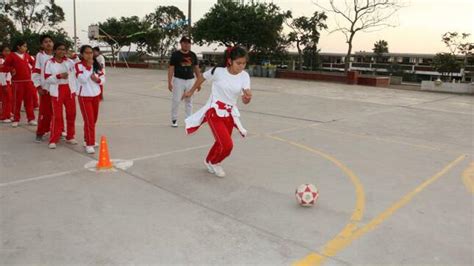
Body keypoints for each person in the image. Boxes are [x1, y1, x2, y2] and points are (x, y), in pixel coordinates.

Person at [182, 46, 252, 178]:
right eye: (239, 63)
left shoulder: (244, 76)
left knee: (220, 141)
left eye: (244, 63)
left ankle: (209, 160)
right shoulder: (218, 71)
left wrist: (247, 98)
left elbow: (245, 99)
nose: (242, 66)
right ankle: (215, 162)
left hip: (229, 114)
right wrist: (191, 91)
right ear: (230, 61)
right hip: (214, 111)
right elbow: (202, 77)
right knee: (227, 145)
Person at [43, 42, 78, 149]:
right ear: (55, 51)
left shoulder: (70, 62)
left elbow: (80, 64)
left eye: (64, 49)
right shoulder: (49, 62)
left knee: (71, 114)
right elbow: (47, 78)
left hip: (69, 90)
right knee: (57, 116)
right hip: (57, 91)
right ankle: (54, 138)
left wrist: (74, 56)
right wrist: (59, 76)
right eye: (59, 49)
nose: (62, 51)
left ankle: (70, 136)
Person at [75, 45, 105, 154]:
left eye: (91, 52)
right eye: (87, 53)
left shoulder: (97, 65)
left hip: (95, 95)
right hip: (84, 96)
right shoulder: (78, 65)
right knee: (89, 121)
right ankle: (89, 143)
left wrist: (97, 80)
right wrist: (88, 67)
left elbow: (103, 78)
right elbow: (82, 79)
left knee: (94, 120)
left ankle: (87, 139)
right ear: (82, 54)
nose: (89, 55)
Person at [0, 40, 37, 127]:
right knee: (17, 102)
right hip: (17, 82)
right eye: (24, 46)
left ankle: (31, 119)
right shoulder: (11, 56)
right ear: (18, 47)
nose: (26, 48)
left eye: (26, 46)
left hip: (28, 82)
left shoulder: (27, 56)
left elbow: (35, 65)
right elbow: (4, 67)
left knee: (29, 101)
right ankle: (16, 119)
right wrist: (11, 69)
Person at [168, 36, 201, 128]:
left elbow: (196, 69)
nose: (187, 45)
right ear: (181, 43)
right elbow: (171, 69)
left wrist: (199, 82)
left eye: (188, 43)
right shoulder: (175, 55)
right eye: (185, 43)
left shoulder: (193, 55)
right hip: (178, 80)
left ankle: (188, 120)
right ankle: (174, 120)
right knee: (176, 100)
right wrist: (169, 82)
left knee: (189, 101)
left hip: (190, 80)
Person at [33, 34, 54, 142]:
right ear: (42, 44)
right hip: (45, 89)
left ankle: (57, 131)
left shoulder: (58, 55)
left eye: (50, 41)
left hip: (57, 90)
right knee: (44, 112)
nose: (48, 43)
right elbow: (36, 72)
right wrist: (38, 87)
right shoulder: (40, 56)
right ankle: (40, 132)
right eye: (45, 42)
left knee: (56, 112)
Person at [0, 46, 13, 123]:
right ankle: (4, 116)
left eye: (9, 51)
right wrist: (4, 84)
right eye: (5, 51)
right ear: (2, 52)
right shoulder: (1, 61)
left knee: (9, 99)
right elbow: (1, 73)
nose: (7, 52)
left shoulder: (9, 60)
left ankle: (7, 114)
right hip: (3, 82)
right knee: (6, 99)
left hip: (9, 82)